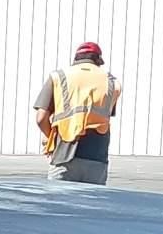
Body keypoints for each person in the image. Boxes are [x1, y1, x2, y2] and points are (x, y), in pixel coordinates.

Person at [36, 40, 121, 184]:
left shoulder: (58, 76)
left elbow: (41, 118)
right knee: (92, 204)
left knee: (59, 204)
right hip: (97, 156)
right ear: (98, 60)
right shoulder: (111, 82)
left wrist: (49, 139)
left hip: (64, 153)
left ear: (75, 59)